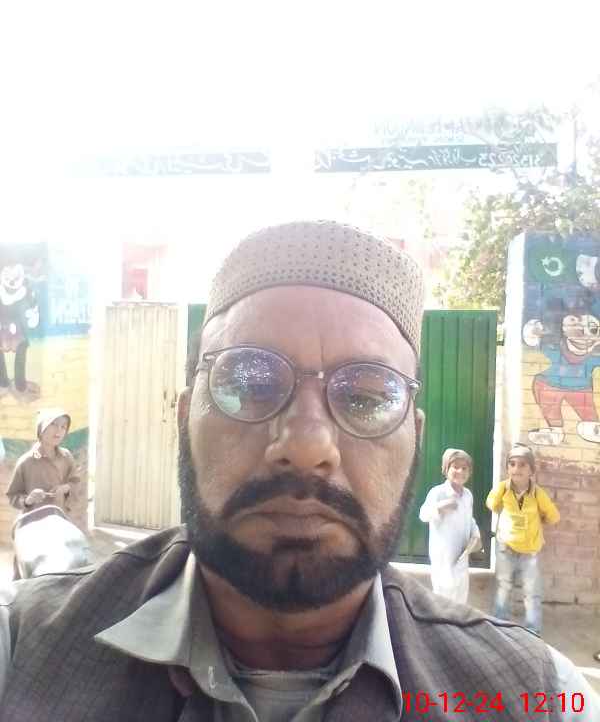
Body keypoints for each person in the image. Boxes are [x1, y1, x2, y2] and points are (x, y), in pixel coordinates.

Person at [0, 221, 597, 721]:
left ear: (415, 438)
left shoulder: (538, 697)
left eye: (366, 397)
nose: (307, 446)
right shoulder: (22, 652)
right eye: (249, 384)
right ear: (185, 419)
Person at [486, 442, 560, 636]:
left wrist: (539, 520)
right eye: (512, 464)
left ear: (531, 470)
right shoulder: (503, 488)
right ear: (507, 468)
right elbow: (491, 503)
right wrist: (500, 503)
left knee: (531, 592)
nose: (516, 468)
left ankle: (532, 630)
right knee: (503, 586)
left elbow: (553, 516)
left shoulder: (537, 494)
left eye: (522, 465)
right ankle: (500, 625)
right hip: (505, 547)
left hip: (530, 551)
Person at [418, 448, 480, 603]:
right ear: (446, 469)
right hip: (443, 555)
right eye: (455, 467)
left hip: (461, 555)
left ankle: (457, 618)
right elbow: (423, 515)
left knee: (460, 595)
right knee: (443, 596)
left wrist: (475, 535)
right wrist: (440, 507)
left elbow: (470, 519)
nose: (460, 471)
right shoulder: (438, 493)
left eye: (464, 468)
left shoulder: (467, 495)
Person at [5, 408, 78, 515]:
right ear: (41, 428)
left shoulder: (66, 457)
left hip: (60, 518)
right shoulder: (26, 461)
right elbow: (13, 496)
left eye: (63, 427)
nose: (59, 430)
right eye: (53, 424)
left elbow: (76, 482)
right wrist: (28, 500)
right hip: (33, 520)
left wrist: (65, 488)